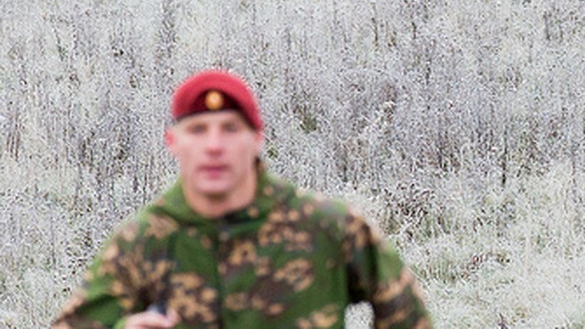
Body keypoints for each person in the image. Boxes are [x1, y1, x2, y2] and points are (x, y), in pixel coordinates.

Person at [51, 69, 431, 328]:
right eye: (198, 130)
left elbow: (409, 316)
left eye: (230, 129)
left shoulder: (327, 227)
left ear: (257, 139)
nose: (214, 146)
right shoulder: (144, 242)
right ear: (173, 142)